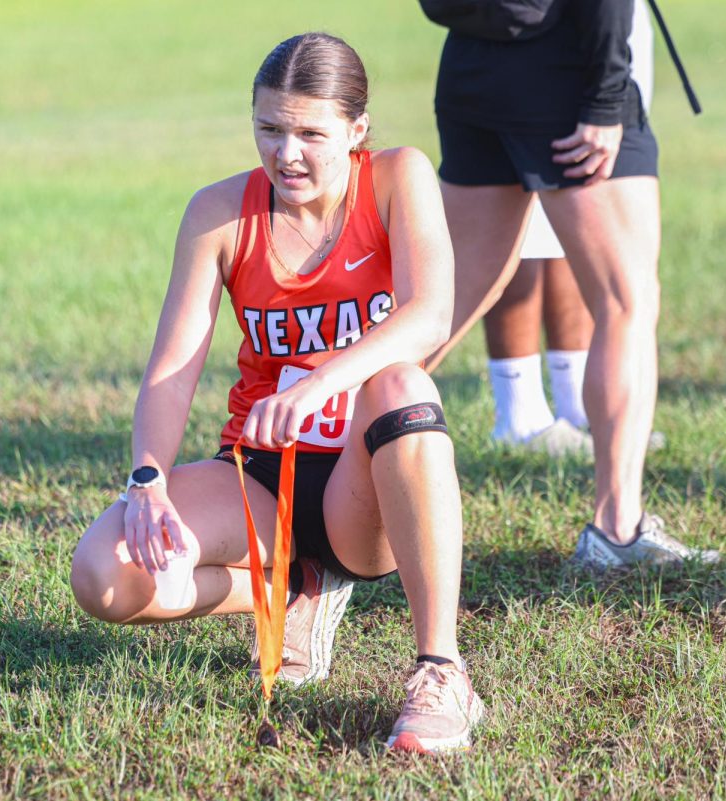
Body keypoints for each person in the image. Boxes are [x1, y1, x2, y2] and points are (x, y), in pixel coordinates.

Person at [70, 32, 486, 753]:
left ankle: (441, 670)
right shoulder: (218, 212)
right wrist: (147, 478)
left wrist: (326, 378)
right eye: (268, 128)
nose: (286, 153)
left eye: (310, 133)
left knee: (400, 381)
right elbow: (174, 365)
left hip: (367, 481)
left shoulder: (396, 177)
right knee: (104, 576)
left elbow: (431, 313)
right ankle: (294, 589)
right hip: (266, 476)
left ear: (357, 131)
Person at [424, 0, 717, 568]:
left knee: (440, 303)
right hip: (570, 75)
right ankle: (617, 530)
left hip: (471, 68)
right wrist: (607, 97)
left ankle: (317, 455)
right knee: (627, 302)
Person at [482, 0, 656, 457]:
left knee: (576, 234)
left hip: (600, 34)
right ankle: (518, 410)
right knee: (524, 234)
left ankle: (576, 402)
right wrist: (603, 100)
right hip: (558, 42)